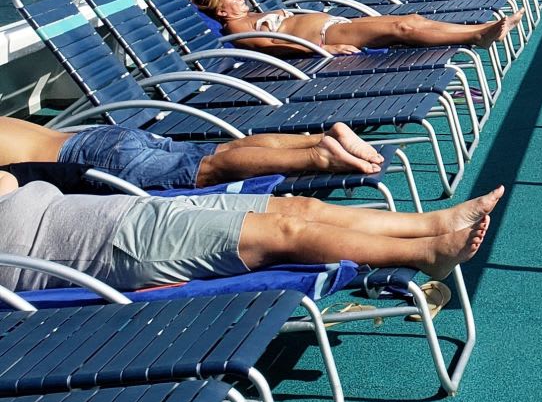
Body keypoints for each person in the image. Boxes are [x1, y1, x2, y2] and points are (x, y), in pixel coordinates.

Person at [0, 170, 504, 296]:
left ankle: (433, 223)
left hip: (122, 210)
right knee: (284, 232)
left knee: (299, 207)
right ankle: (426, 254)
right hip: (107, 248)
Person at [0, 112, 383, 194]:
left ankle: (318, 156)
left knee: (210, 168)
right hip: (96, 136)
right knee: (223, 148)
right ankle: (320, 137)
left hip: (86, 158)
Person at [190, 0, 524, 60]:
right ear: (221, 11)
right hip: (327, 38)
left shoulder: (249, 15)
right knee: (403, 28)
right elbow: (271, 47)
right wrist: (324, 50)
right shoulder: (237, 27)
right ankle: (476, 36)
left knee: (410, 19)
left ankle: (480, 30)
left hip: (333, 26)